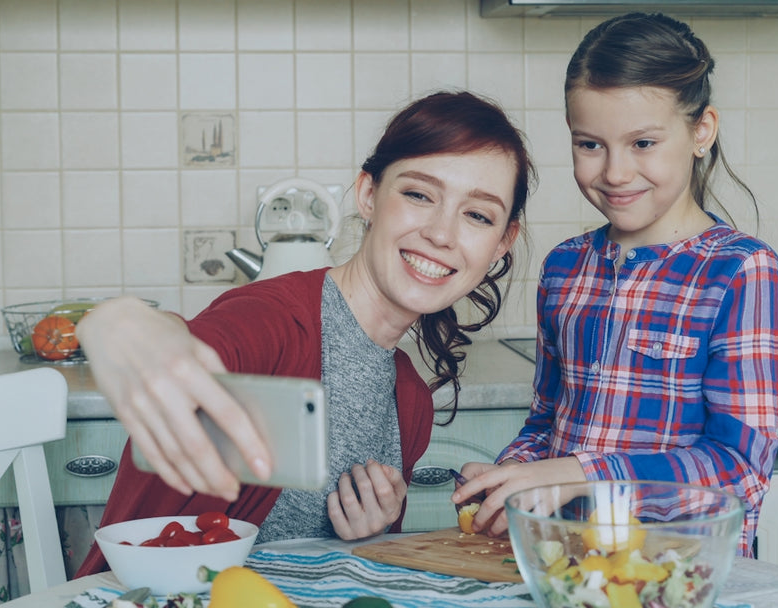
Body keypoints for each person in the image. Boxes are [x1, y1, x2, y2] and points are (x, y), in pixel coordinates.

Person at [74, 90, 533, 576]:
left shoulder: (410, 399)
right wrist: (122, 323)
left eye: (477, 215)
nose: (442, 233)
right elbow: (196, 343)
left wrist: (364, 535)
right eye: (419, 194)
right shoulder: (274, 321)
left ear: (502, 243)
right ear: (368, 195)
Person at [451, 12, 778, 557]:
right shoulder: (565, 267)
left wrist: (580, 475)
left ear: (700, 131)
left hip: (679, 575)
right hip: (565, 565)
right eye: (589, 145)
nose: (614, 172)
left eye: (642, 143)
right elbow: (545, 421)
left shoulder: (742, 272)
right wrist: (510, 478)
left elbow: (736, 472)